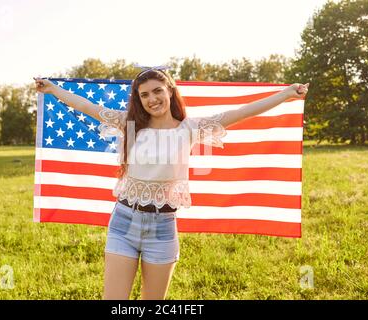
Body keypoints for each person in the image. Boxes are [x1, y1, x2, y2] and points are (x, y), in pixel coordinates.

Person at [34, 69, 309, 300]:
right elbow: (86, 106)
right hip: (123, 223)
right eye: (144, 95)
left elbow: (241, 112)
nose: (152, 99)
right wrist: (53, 89)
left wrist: (286, 94)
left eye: (157, 91)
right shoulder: (129, 124)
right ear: (138, 99)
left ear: (170, 91)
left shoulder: (190, 128)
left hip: (162, 229)